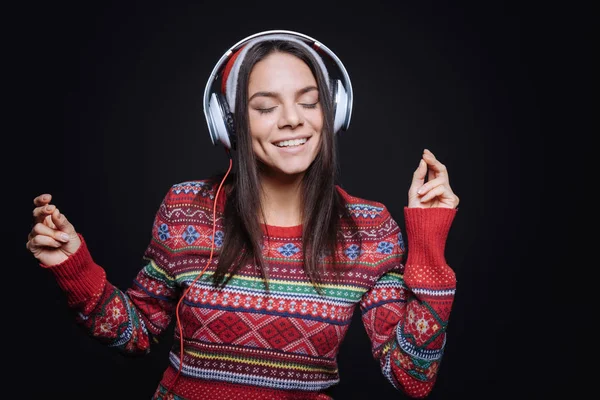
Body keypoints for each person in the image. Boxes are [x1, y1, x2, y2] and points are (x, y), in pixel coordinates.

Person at [26, 30, 460, 399]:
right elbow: (135, 334)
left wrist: (428, 244)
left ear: (333, 114)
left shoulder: (368, 227)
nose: (292, 120)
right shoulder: (186, 210)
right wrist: (74, 266)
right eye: (266, 107)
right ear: (229, 123)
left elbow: (411, 377)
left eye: (309, 103)